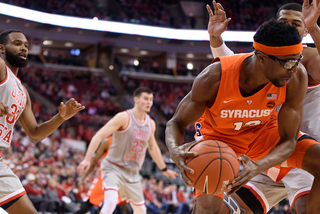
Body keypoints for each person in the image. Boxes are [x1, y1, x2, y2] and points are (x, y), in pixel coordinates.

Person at [165, 18, 320, 214]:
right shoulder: (215, 76)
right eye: (287, 62)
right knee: (208, 210)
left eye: (297, 60)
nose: (294, 68)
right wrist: (174, 149)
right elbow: (176, 123)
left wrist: (259, 165)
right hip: (218, 140)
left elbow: (288, 141)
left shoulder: (296, 76)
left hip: (263, 135)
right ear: (262, 57)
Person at [207, 0, 320, 213]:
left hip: (303, 153)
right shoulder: (266, 60)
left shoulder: (311, 57)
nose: (287, 26)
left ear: (305, 31)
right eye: (282, 21)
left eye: (295, 24)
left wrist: (314, 27)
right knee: (223, 209)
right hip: (270, 154)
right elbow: (232, 68)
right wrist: (215, 38)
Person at [0, 29, 85, 214]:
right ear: (1, 48)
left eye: (26, 46)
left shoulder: (23, 92)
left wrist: (60, 118)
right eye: (16, 44)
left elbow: (35, 134)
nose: (23, 48)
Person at [77, 87, 178, 214]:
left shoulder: (151, 123)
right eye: (145, 99)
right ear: (136, 99)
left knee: (141, 211)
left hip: (132, 173)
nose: (149, 103)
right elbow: (99, 135)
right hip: (113, 168)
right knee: (110, 203)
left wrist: (163, 168)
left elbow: (152, 147)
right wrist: (87, 159)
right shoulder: (124, 117)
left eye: (151, 100)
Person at [76, 136, 126, 214]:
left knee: (124, 206)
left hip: (118, 180)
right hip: (104, 178)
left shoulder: (130, 145)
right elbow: (94, 162)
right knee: (88, 206)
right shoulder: (108, 142)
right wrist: (83, 178)